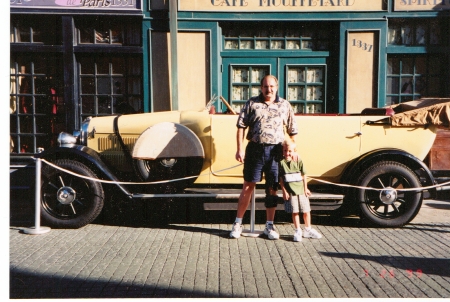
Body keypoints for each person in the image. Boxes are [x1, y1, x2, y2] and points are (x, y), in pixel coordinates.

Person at [230, 75, 298, 240]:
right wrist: (240, 149)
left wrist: (291, 150)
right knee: (248, 186)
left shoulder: (284, 105)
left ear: (277, 87)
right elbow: (241, 127)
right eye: (266, 86)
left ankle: (269, 225)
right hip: (255, 150)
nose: (269, 89)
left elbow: (292, 131)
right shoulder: (252, 103)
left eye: (272, 86)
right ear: (261, 87)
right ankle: (237, 224)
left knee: (272, 189)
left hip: (276, 152)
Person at [279, 139, 322, 242]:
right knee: (295, 212)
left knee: (306, 210)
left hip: (301, 191)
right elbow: (281, 179)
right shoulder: (281, 163)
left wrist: (305, 188)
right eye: (285, 150)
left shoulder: (298, 160)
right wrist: (284, 191)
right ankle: (298, 230)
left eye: (289, 151)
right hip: (291, 192)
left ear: (294, 151)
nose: (287, 153)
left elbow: (304, 174)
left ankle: (308, 229)